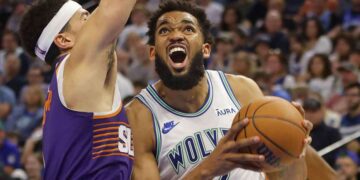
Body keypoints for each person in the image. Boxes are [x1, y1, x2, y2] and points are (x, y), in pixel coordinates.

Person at [126, 1, 336, 179]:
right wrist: (210, 167)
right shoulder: (138, 117)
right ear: (153, 52)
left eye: (188, 29)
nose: (176, 35)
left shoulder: (241, 89)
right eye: (164, 30)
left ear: (206, 48)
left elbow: (287, 177)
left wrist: (293, 147)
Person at [19, 0, 136, 179]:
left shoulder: (68, 85)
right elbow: (113, 8)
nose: (94, 20)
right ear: (64, 39)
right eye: (85, 17)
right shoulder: (76, 68)